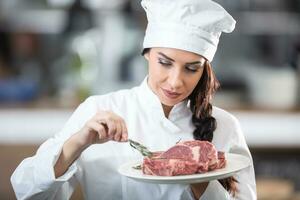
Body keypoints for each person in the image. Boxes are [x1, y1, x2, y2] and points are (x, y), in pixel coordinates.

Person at [11, 0, 256, 199]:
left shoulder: (225, 126)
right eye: (165, 62)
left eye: (191, 68)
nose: (175, 81)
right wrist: (77, 143)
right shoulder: (99, 110)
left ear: (204, 69)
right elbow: (27, 192)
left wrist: (197, 174)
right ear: (147, 54)